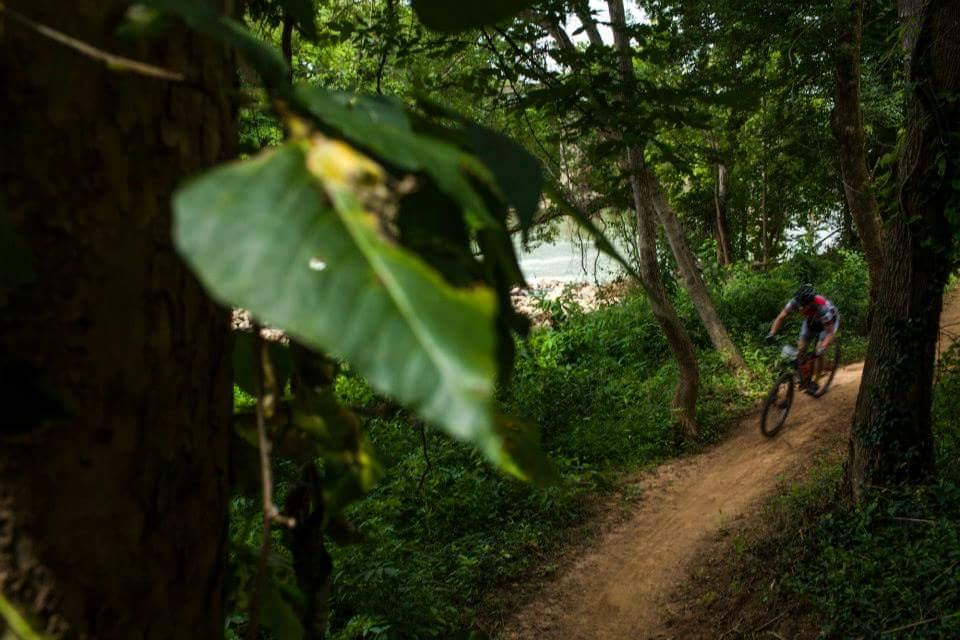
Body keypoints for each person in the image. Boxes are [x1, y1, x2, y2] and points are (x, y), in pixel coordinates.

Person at [765, 283, 839, 394]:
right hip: (811, 320)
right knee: (801, 349)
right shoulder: (795, 301)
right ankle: (804, 378)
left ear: (811, 303)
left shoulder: (822, 308)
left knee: (819, 350)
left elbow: (830, 333)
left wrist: (822, 347)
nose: (800, 308)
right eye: (799, 305)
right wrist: (772, 333)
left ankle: (816, 381)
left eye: (803, 306)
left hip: (829, 323)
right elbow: (781, 316)